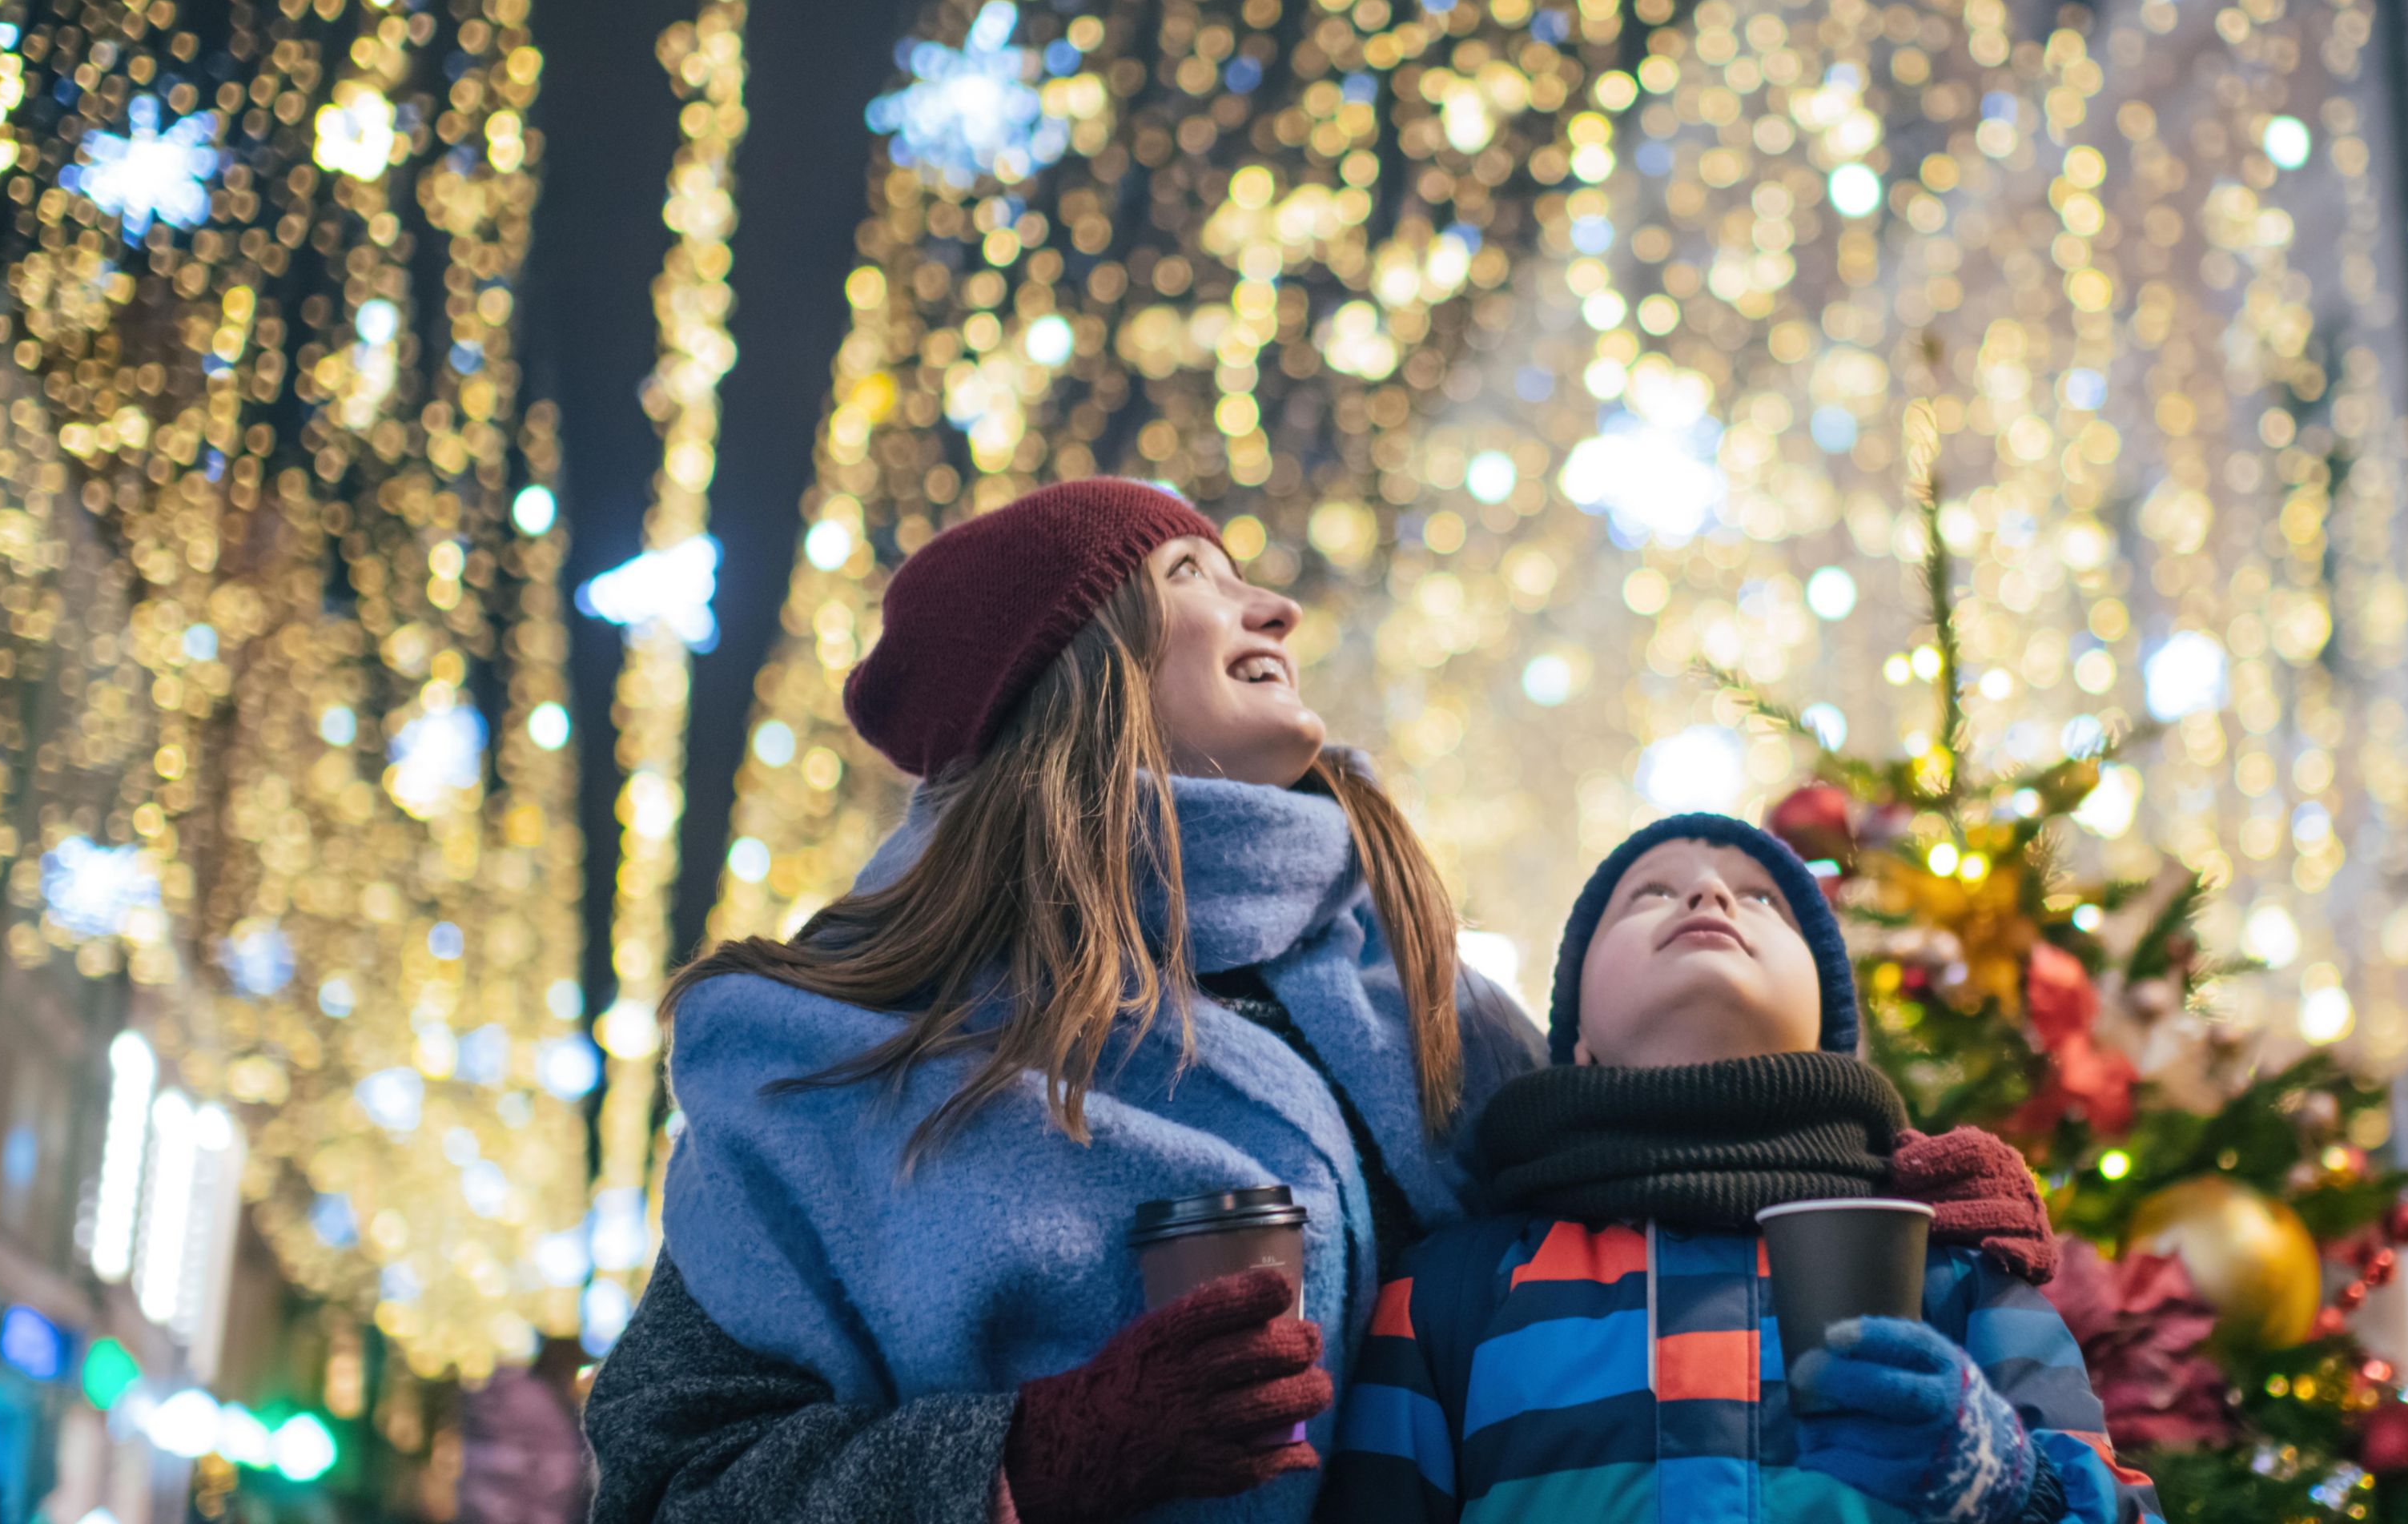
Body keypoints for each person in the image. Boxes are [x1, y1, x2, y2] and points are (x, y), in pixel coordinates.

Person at [580, 477, 2063, 1524]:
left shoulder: (1418, 999)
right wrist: (1030, 1460)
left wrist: (1883, 1181)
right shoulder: (842, 1061)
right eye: (1194, 580)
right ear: (1069, 673)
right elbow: (670, 1479)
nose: (1271, 598)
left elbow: (1624, 1221)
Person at [1320, 815, 2163, 1524]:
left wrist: (2005, 1481)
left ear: (1828, 1031)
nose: (1708, 894)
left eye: (1761, 898)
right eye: (1651, 890)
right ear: (1578, 1036)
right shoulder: (1449, 1290)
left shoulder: (1952, 1267)